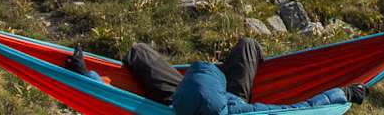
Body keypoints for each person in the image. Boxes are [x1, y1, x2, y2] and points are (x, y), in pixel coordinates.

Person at [65, 38, 368, 115]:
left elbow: (112, 101)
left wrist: (81, 73)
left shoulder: (168, 108)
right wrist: (346, 94)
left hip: (181, 97)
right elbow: (298, 110)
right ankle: (220, 75)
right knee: (249, 45)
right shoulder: (245, 113)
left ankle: (214, 75)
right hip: (232, 97)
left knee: (138, 53)